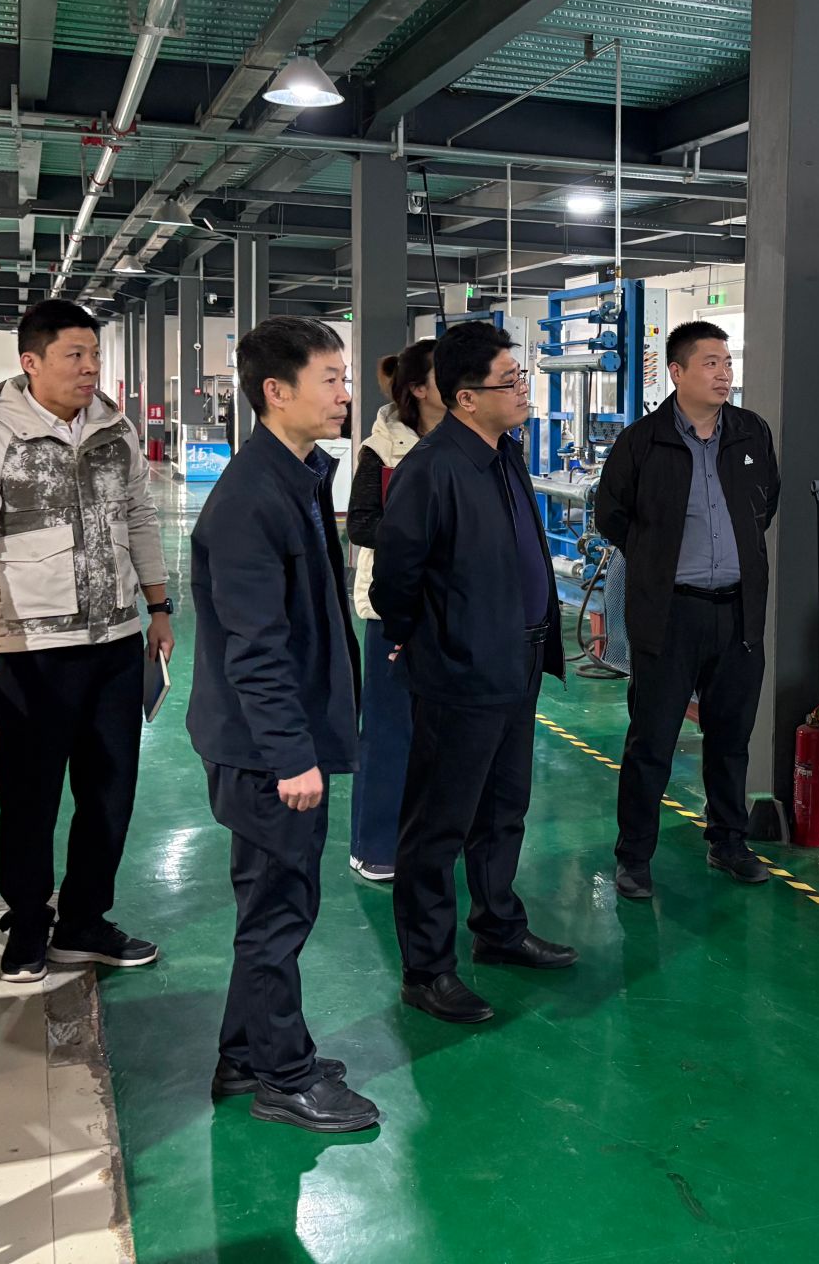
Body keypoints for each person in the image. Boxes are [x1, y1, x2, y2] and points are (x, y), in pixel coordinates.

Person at [0, 300, 172, 983]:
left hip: (116, 640)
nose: (89, 367)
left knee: (109, 792)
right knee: (30, 796)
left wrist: (158, 607)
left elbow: (139, 518)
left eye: (94, 354)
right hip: (33, 652)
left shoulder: (115, 429)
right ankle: (29, 925)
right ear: (31, 362)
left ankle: (84, 922)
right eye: (75, 355)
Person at [186, 317, 377, 1134]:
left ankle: (245, 1054)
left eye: (344, 377)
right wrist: (292, 756)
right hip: (266, 753)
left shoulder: (295, 478)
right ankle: (283, 1077)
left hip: (279, 742)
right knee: (278, 912)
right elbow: (254, 647)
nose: (345, 393)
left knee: (273, 903)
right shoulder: (249, 502)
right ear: (276, 391)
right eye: (330, 379)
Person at [370, 321, 576, 1025]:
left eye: (522, 377)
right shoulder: (432, 469)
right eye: (509, 381)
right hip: (461, 670)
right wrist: (419, 638)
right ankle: (426, 970)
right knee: (438, 826)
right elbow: (395, 578)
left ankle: (499, 928)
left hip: (518, 660)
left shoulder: (503, 454)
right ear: (465, 398)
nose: (523, 391)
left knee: (503, 808)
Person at [593, 320, 780, 899]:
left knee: (731, 738)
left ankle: (728, 841)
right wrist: (656, 560)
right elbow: (610, 515)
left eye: (728, 362)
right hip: (670, 615)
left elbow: (766, 503)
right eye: (711, 363)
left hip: (738, 613)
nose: (725, 374)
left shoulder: (750, 432)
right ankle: (634, 856)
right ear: (677, 372)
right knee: (652, 741)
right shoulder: (643, 442)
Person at [345, 338, 444, 883]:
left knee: (442, 731)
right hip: (393, 607)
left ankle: (431, 836)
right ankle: (375, 844)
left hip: (452, 608)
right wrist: (428, 539)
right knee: (388, 729)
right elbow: (361, 523)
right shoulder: (380, 449)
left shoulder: (470, 441)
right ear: (419, 389)